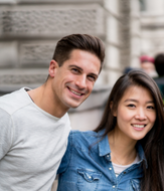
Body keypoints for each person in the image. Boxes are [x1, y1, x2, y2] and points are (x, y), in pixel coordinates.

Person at [0, 34, 105, 190]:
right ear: (53, 68)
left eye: (90, 77)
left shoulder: (63, 121)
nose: (82, 84)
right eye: (75, 70)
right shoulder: (8, 114)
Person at [57, 70, 164, 191]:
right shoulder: (74, 144)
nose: (141, 116)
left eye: (150, 107)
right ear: (113, 108)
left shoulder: (155, 168)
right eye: (131, 105)